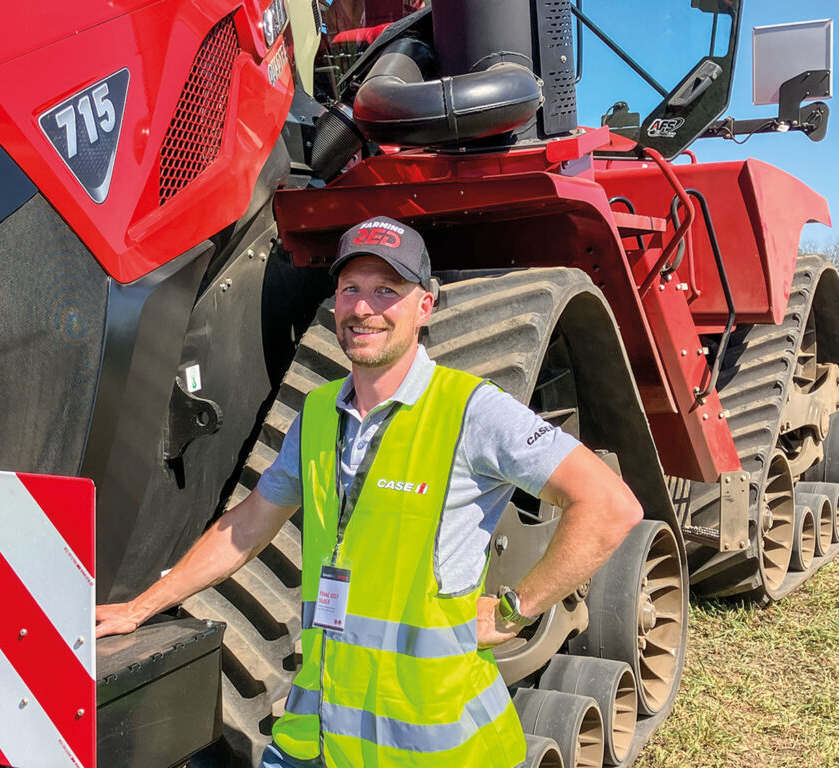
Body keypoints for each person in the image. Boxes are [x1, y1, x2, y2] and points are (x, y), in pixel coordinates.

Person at [96, 215, 643, 768]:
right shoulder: (317, 413)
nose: (363, 309)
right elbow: (249, 522)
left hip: (430, 749)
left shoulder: (471, 411)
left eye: (387, 291)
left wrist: (514, 610)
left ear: (423, 306)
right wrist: (140, 608)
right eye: (350, 289)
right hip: (318, 735)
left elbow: (610, 505)